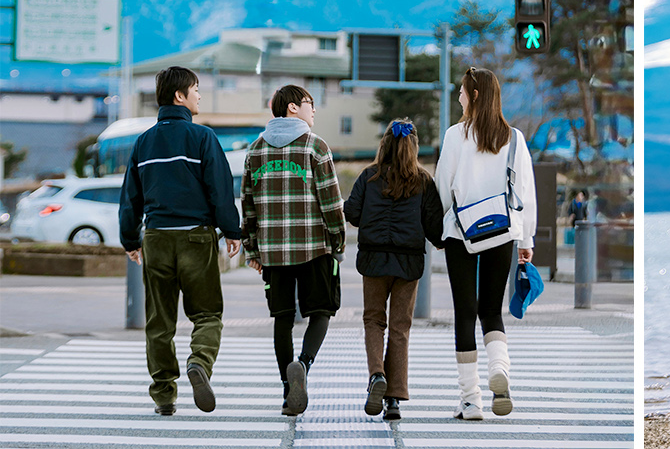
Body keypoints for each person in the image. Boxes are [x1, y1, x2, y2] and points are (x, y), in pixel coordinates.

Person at [118, 66, 245, 416]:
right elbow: (220, 191)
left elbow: (130, 197)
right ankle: (200, 363)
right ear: (180, 96)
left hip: (156, 238)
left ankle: (164, 395)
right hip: (195, 238)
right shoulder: (202, 137)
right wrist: (232, 231)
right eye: (196, 89)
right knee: (206, 314)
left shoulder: (143, 141)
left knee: (159, 321)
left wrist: (130, 239)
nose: (199, 95)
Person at [437, 67, 536, 420]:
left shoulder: (454, 135)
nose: (459, 97)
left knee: (465, 313)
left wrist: (445, 227)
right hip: (503, 231)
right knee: (491, 310)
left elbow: (442, 187)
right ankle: (500, 369)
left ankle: (471, 399)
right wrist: (526, 239)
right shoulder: (514, 137)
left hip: (461, 233)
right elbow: (525, 191)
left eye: (462, 91)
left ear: (475, 94)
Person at [242, 84, 347, 417]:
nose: (313, 109)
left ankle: (289, 394)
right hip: (315, 247)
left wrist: (252, 249)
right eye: (309, 103)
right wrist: (338, 240)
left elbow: (247, 206)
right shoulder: (315, 146)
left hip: (273, 251)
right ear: (291, 108)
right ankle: (303, 363)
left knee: (282, 319)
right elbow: (331, 202)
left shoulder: (255, 150)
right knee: (322, 310)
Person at [345, 119, 445, 421]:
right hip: (408, 264)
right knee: (400, 328)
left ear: (384, 144)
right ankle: (394, 400)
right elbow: (435, 230)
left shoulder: (369, 176)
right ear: (413, 147)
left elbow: (352, 215)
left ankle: (376, 375)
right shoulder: (423, 181)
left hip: (374, 261)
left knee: (374, 321)